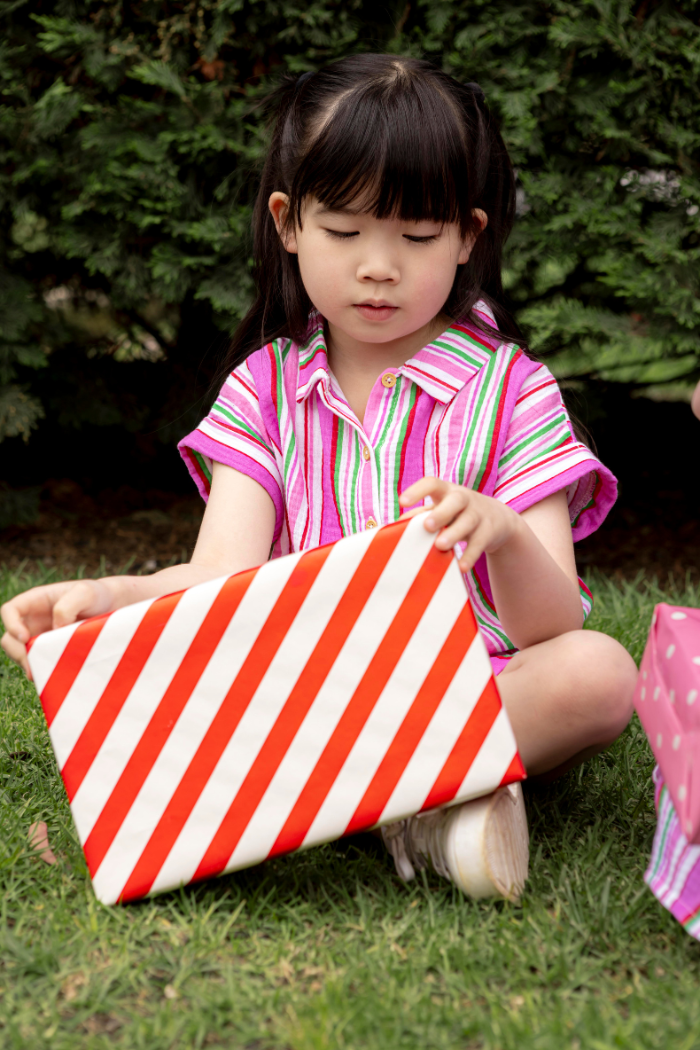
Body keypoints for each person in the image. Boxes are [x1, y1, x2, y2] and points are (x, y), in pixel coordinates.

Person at [1, 54, 637, 900]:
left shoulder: (512, 391)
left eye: (416, 237)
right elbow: (222, 579)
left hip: (473, 687)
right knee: (170, 687)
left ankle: (351, 796)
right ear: (288, 222)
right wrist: (120, 594)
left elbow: (550, 625)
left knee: (598, 675)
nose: (379, 266)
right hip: (307, 691)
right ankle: (424, 805)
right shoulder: (264, 389)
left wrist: (506, 531)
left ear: (467, 237)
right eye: (344, 233)